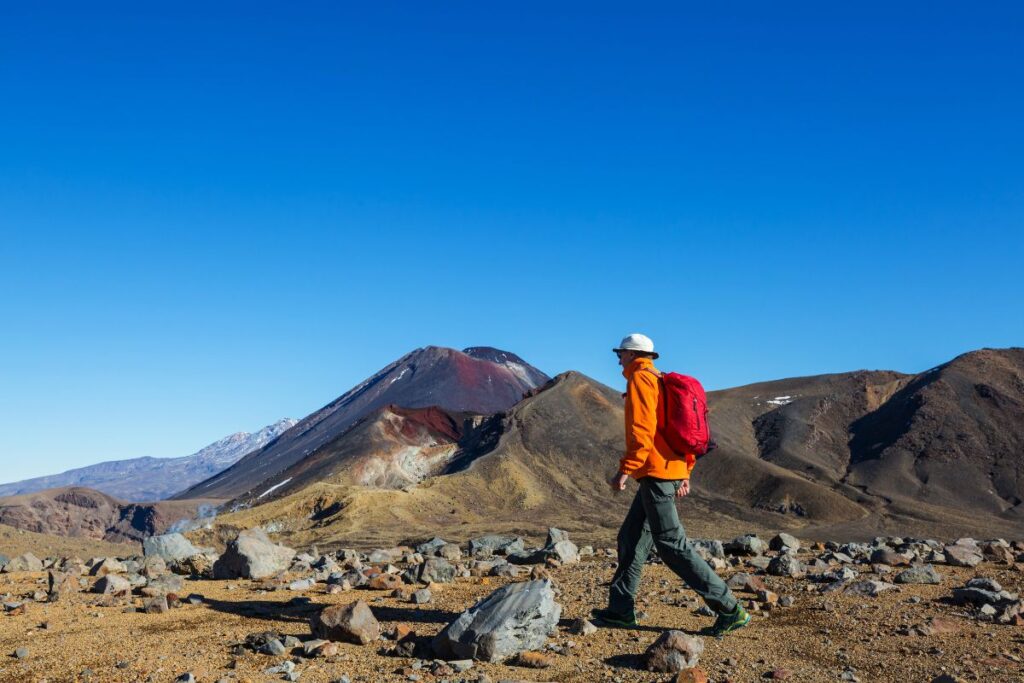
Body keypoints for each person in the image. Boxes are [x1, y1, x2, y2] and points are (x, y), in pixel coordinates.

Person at [592, 333, 750, 638]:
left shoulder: (641, 380)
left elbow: (643, 430)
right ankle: (621, 610)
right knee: (631, 537)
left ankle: (730, 609)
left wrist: (626, 469)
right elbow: (683, 431)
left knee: (672, 545)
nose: (617, 359)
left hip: (656, 473)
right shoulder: (662, 380)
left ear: (631, 354)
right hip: (667, 470)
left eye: (620, 354)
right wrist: (685, 471)